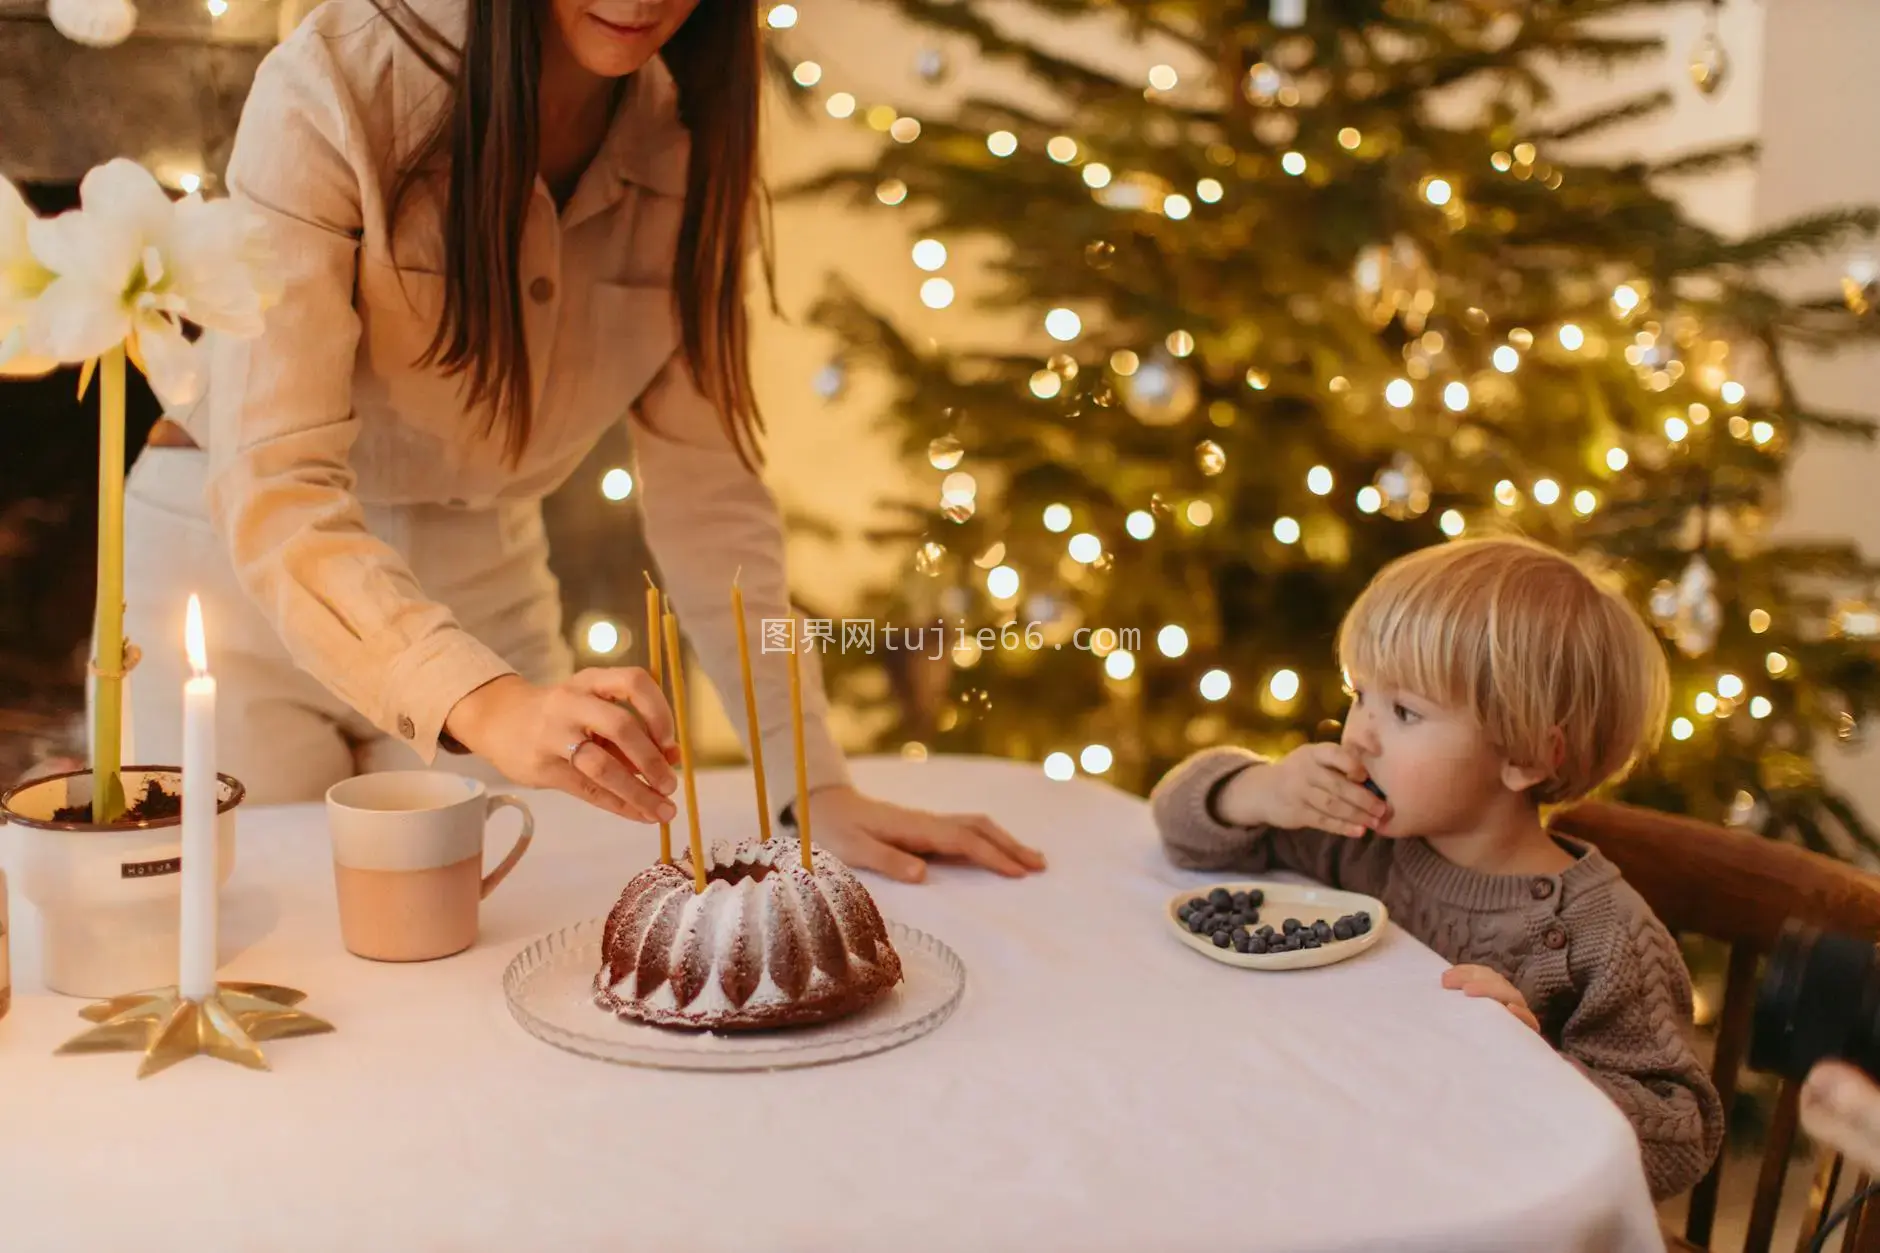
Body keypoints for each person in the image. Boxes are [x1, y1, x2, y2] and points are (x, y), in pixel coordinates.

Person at [117, 0, 1045, 884]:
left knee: (514, 970)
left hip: (485, 579)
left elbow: (713, 500)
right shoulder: (341, 83)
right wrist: (490, 704)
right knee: (254, 961)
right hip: (232, 584)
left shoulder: (687, 140)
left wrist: (811, 781)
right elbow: (278, 487)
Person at [1148, 535, 1723, 1201]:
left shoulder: (1602, 934)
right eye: (1360, 693)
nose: (1357, 732)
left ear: (1527, 757)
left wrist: (1534, 1066)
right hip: (1335, 1164)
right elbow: (1182, 831)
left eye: (1403, 711)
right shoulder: (1359, 838)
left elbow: (1682, 1139)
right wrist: (1259, 792)